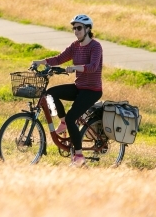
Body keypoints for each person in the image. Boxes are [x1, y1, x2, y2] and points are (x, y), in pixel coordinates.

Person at [32, 14, 103, 168]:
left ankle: (79, 157)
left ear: (88, 29)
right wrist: (41, 62)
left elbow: (93, 67)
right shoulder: (75, 46)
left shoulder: (95, 46)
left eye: (79, 28)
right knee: (50, 93)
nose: (75, 31)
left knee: (73, 118)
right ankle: (63, 121)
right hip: (79, 87)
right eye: (74, 28)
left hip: (92, 90)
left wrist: (75, 67)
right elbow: (59, 59)